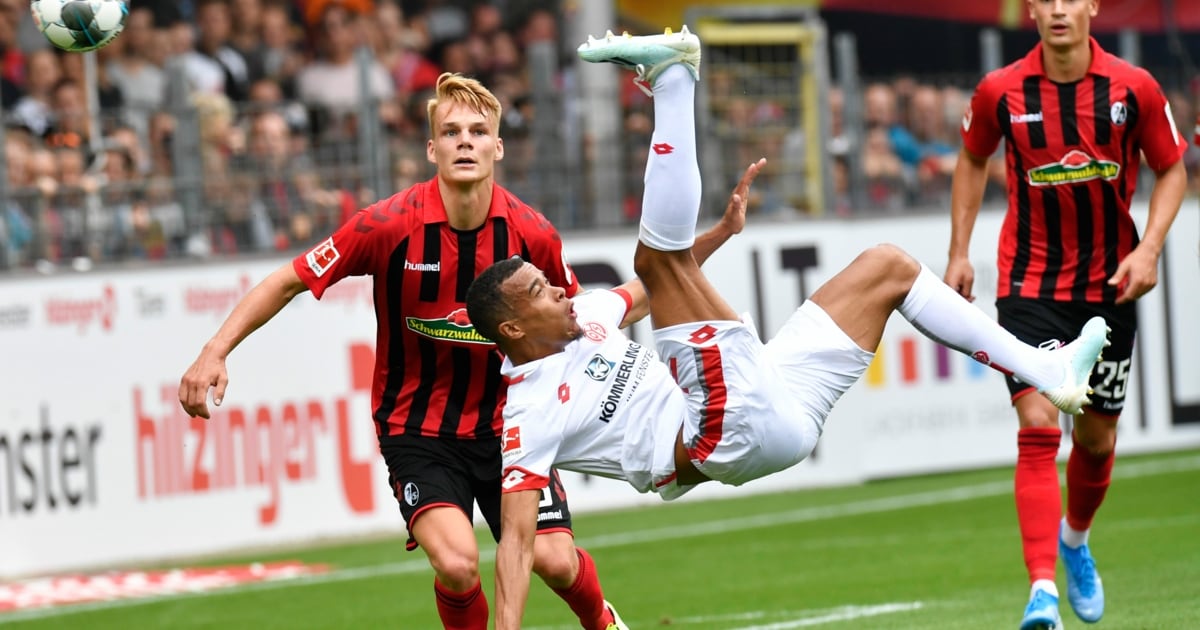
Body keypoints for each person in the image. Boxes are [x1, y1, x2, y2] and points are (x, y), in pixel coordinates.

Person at [463, 28, 1111, 630]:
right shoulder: (528, 408)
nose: (560, 290)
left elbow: (638, 296)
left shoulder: (585, 319)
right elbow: (518, 542)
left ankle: (1045, 371)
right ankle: (673, 81)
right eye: (541, 293)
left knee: (888, 266)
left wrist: (719, 234)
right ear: (515, 327)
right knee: (657, 259)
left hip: (777, 399)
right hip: (718, 433)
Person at [180, 72, 628, 630]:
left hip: (510, 422)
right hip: (418, 432)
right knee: (459, 565)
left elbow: (573, 319)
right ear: (431, 147)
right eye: (451, 131)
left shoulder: (531, 233)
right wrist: (214, 351)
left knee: (555, 560)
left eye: (478, 131)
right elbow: (289, 279)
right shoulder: (388, 225)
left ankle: (602, 622)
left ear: (498, 146)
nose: (465, 141)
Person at [943, 1, 1188, 628]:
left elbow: (1171, 169)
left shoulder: (1133, 87)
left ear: (1092, 7)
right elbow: (972, 159)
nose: (1058, 8)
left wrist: (1149, 248)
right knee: (1037, 420)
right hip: (1029, 288)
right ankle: (1042, 593)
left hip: (1110, 288)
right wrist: (958, 252)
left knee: (1097, 439)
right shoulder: (1001, 90)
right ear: (1030, 10)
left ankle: (1074, 540)